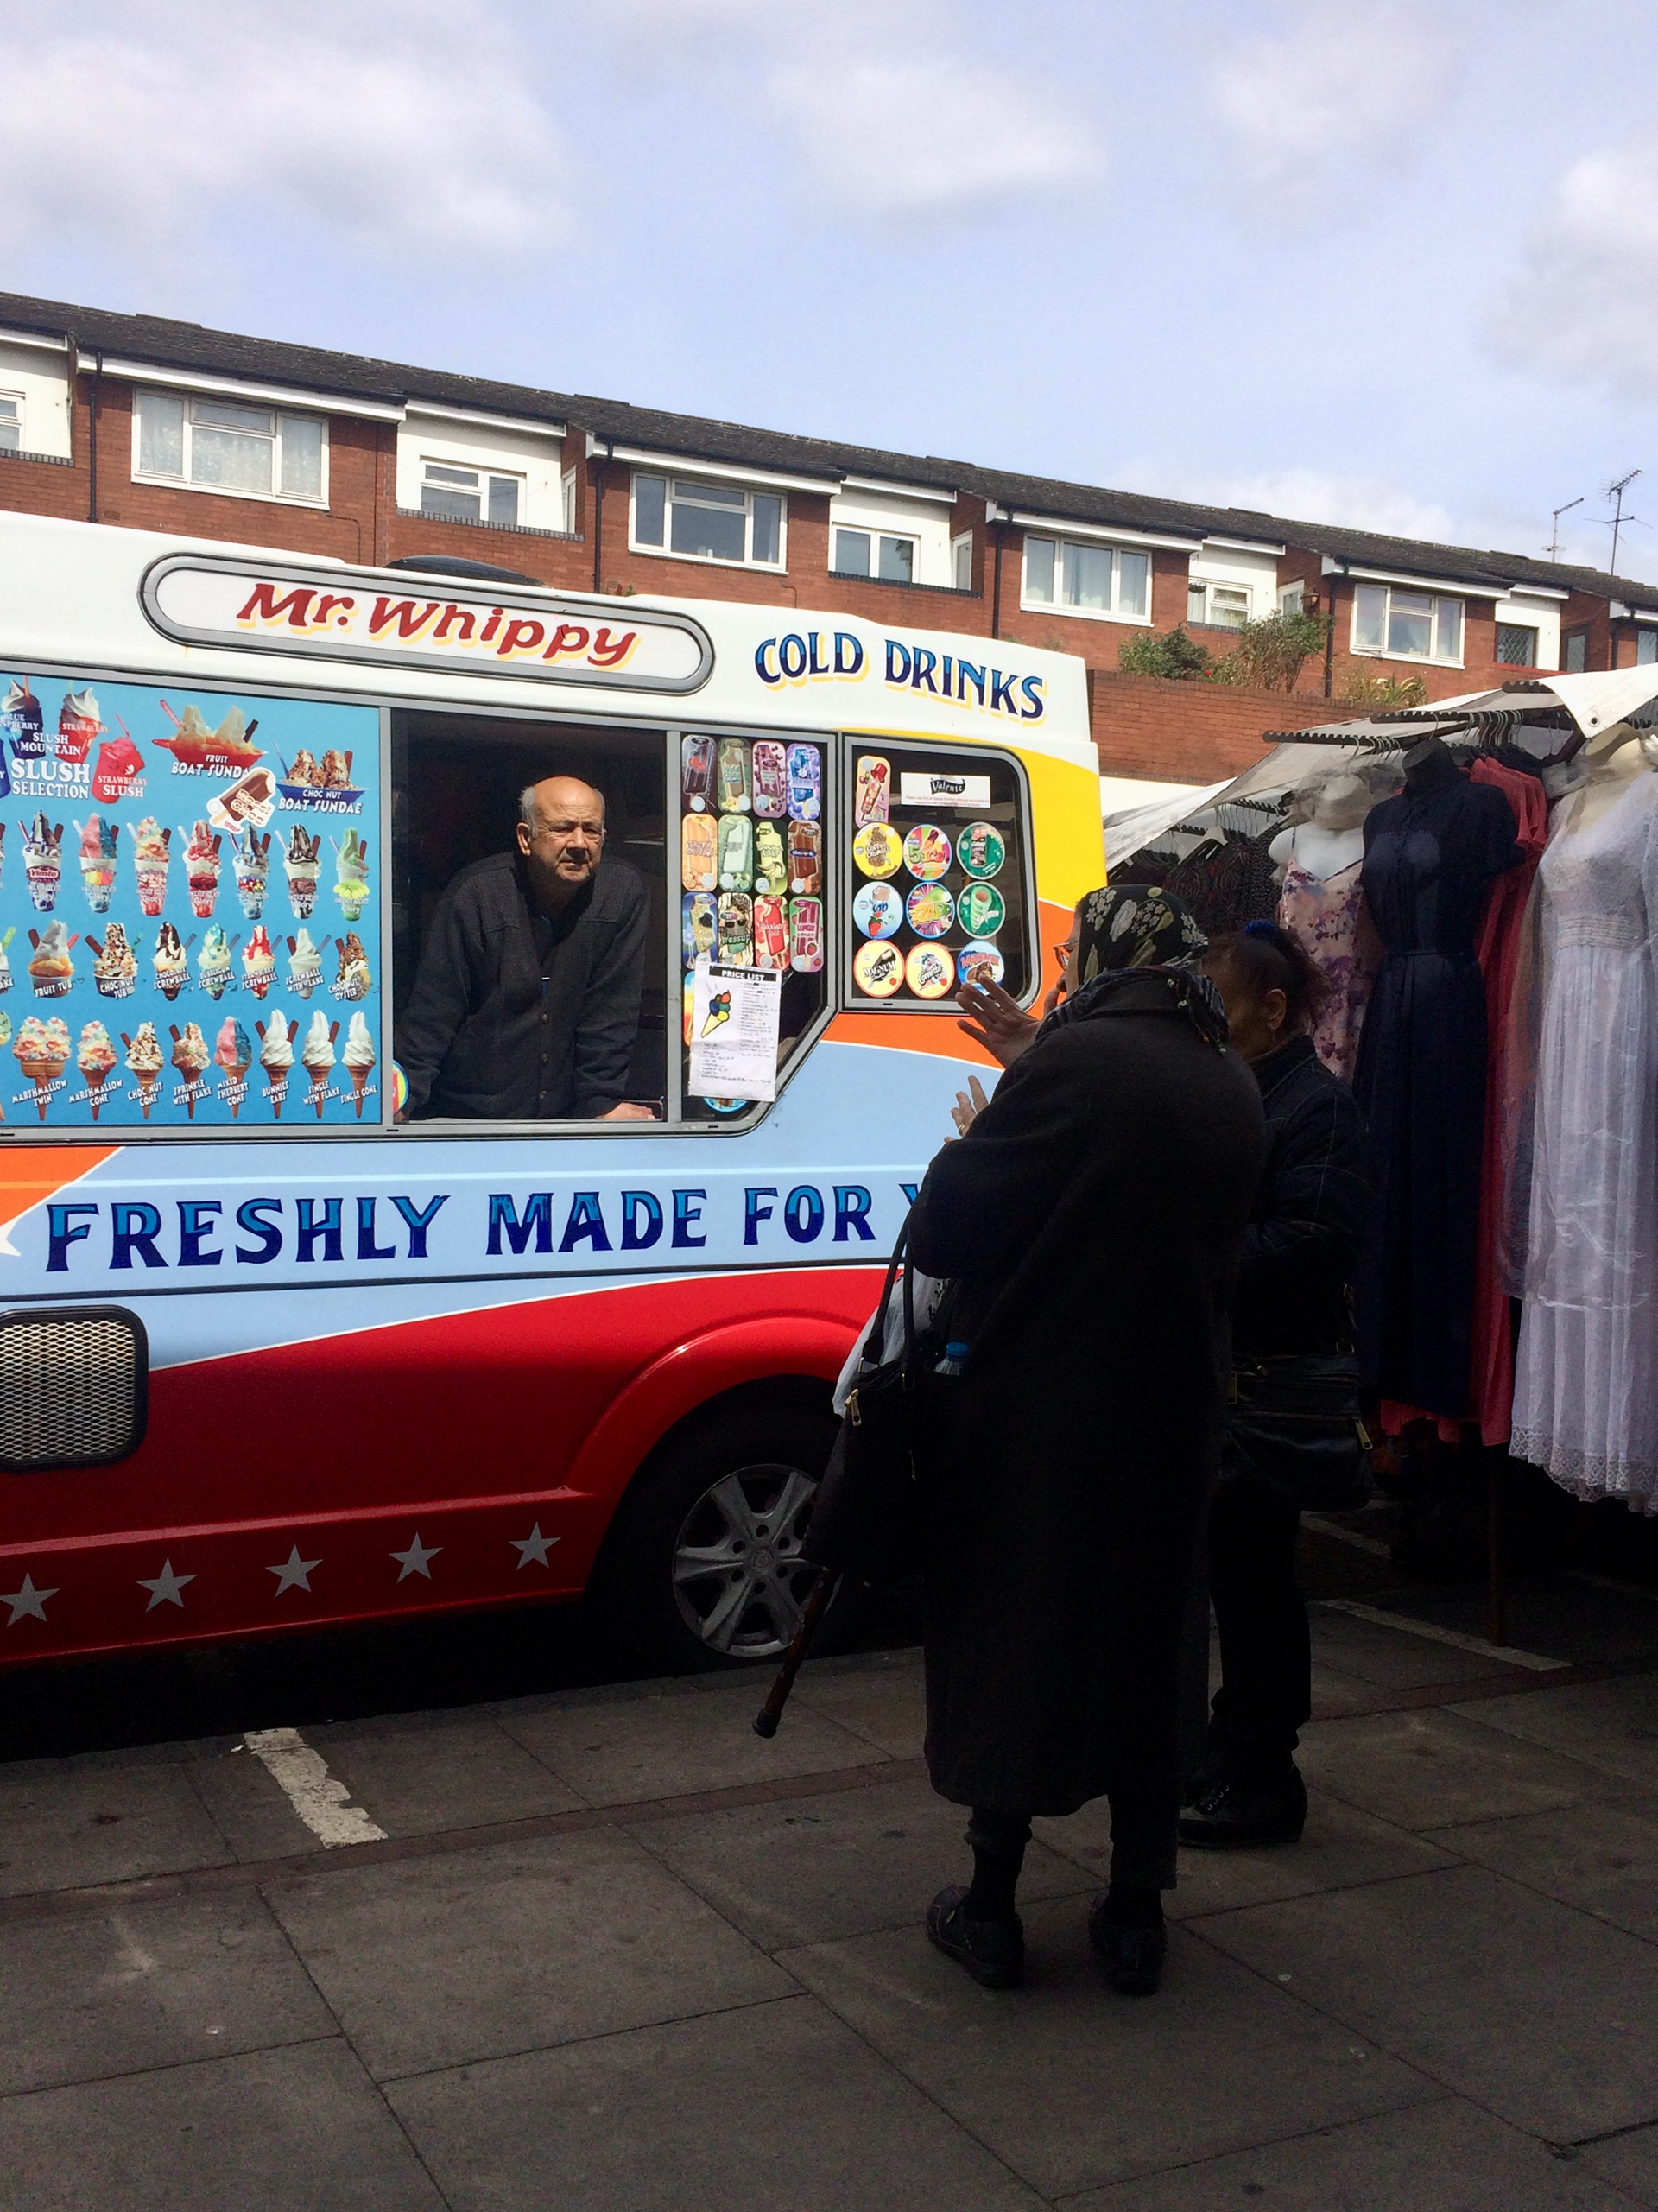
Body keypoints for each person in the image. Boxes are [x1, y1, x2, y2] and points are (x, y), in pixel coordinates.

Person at [908, 886, 1264, 1994]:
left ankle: (992, 1905)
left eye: (1072, 955)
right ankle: (1135, 1913)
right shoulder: (1229, 1075)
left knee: (1021, 1644)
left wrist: (976, 1135)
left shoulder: (1078, 1064)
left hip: (1043, 1418)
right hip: (1174, 1420)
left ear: (1106, 958)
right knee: (1151, 1648)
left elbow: (950, 1225)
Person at [1180, 920, 1374, 1851]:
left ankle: (1263, 1775)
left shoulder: (1315, 1107)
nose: (1203, 1024)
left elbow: (1312, 1243)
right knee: (1232, 1578)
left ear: (1272, 1008)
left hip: (1267, 1386)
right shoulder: (1229, 1092)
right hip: (1219, 1377)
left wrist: (1191, 1251)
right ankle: (1230, 1749)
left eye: (1217, 1005)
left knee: (1257, 1585)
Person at [396, 776, 654, 1121]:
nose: (579, 843)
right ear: (525, 838)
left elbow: (612, 1009)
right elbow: (433, 1012)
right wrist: (402, 1099)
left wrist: (599, 1103)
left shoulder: (622, 894)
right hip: (468, 1114)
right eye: (563, 828)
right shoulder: (477, 897)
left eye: (591, 830)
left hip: (564, 1118)